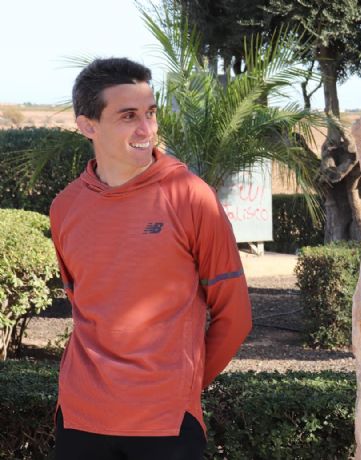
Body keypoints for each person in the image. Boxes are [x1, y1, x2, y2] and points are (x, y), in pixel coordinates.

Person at [49, 58, 252, 459]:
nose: (147, 130)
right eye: (128, 116)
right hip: (79, 419)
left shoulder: (191, 197)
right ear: (88, 125)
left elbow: (235, 316)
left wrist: (182, 387)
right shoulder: (66, 207)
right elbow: (85, 304)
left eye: (151, 113)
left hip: (166, 424)